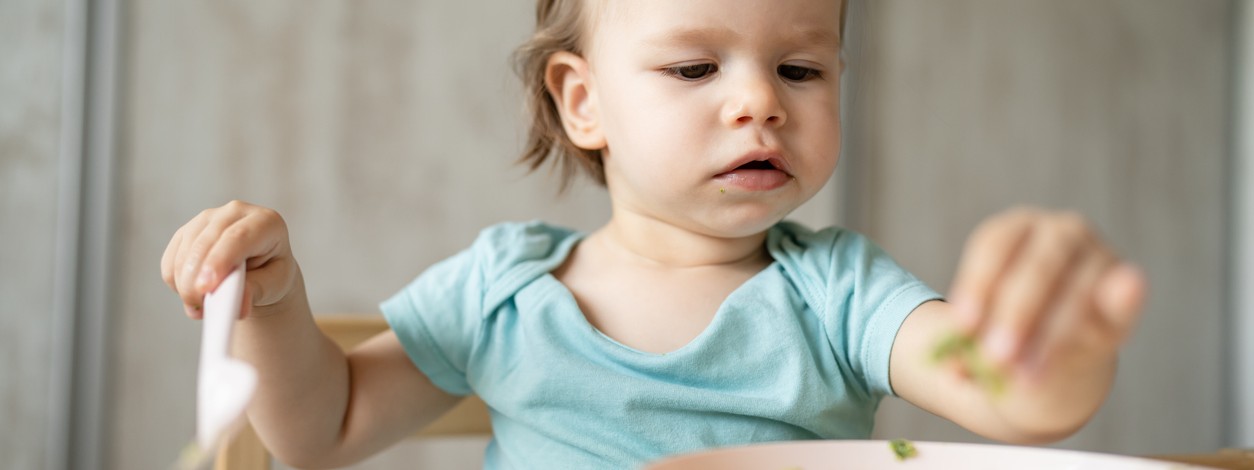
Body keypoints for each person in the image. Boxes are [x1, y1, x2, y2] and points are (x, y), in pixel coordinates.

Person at [161, 0, 1147, 468]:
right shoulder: (502, 289)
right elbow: (317, 431)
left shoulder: (840, 292)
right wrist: (275, 302)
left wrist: (1054, 347)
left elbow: (1011, 399)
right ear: (582, 101)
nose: (760, 101)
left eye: (800, 71)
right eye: (693, 70)